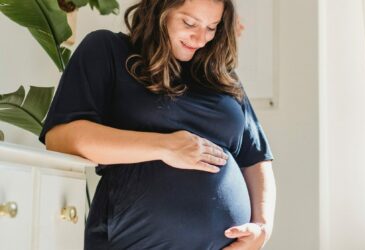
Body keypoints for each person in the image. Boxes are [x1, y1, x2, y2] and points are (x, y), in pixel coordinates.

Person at [39, 0, 277, 249]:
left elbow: (256, 157)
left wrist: (262, 227)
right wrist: (165, 146)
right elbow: (61, 137)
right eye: (189, 23)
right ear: (159, 9)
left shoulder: (222, 76)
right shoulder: (108, 50)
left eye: (211, 27)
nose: (199, 38)